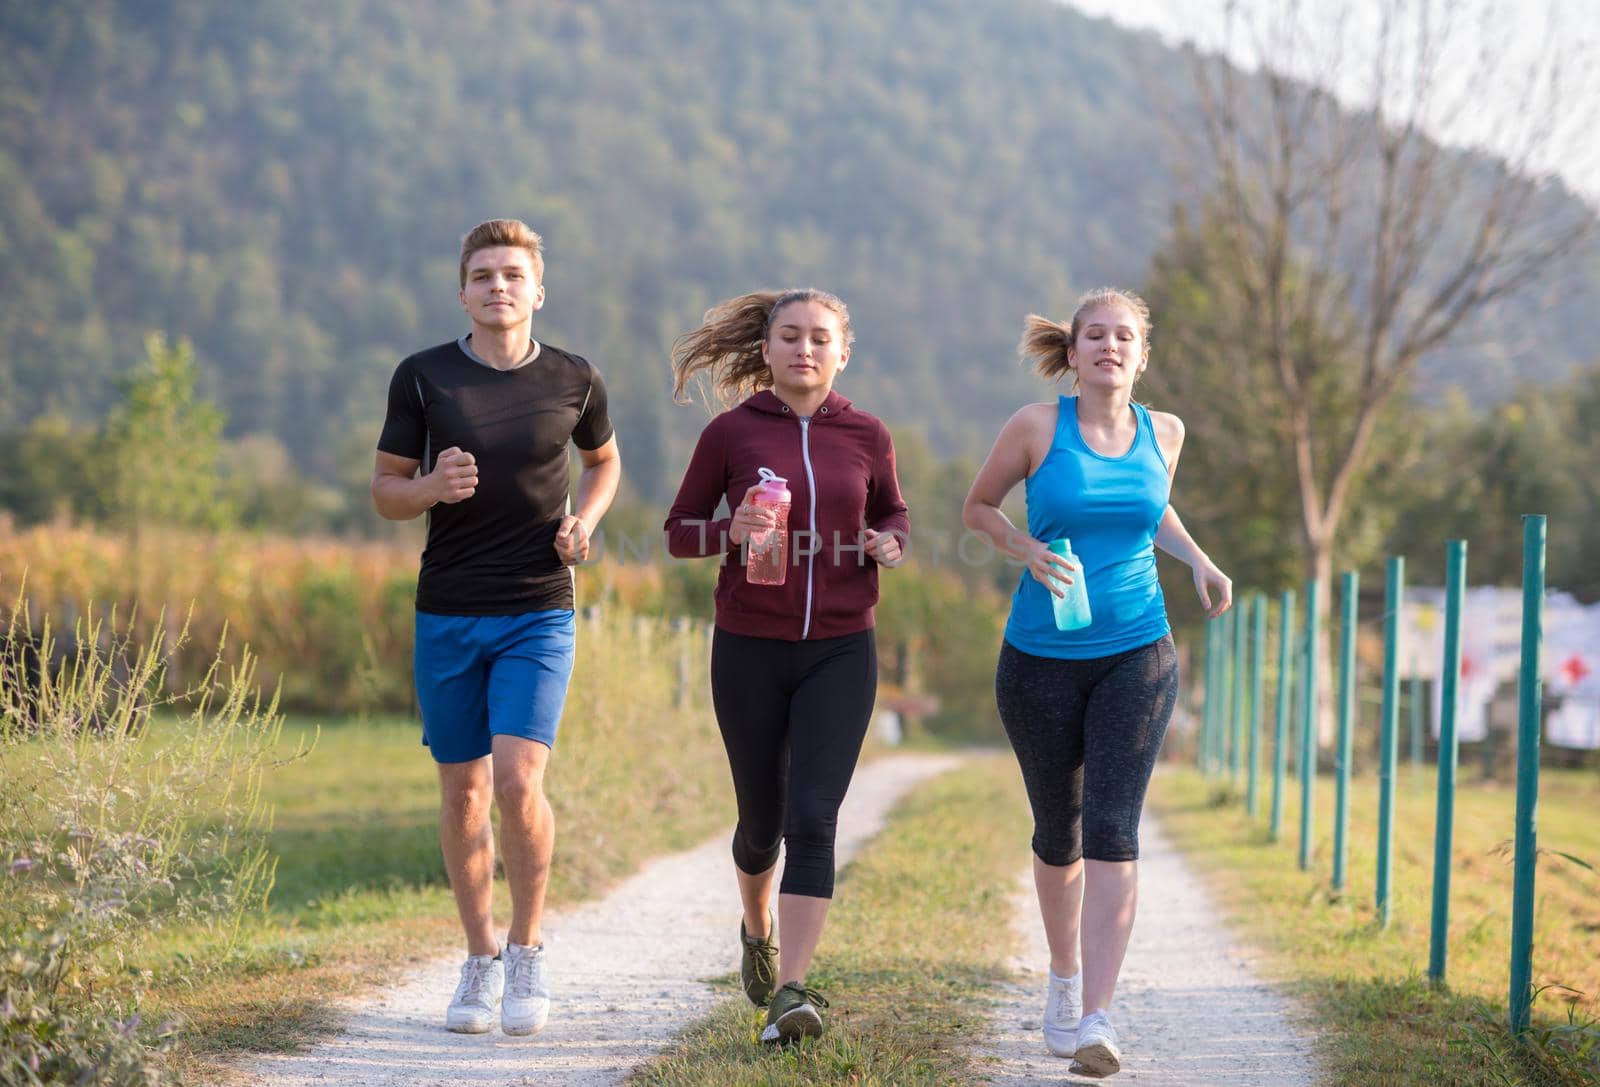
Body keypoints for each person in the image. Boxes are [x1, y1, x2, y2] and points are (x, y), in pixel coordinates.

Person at [962, 288, 1230, 1078]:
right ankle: (1064, 973)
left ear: (1143, 355)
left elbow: (1153, 509)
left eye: (1125, 337)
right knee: (1060, 831)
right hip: (1039, 657)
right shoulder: (1036, 427)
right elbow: (977, 507)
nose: (1110, 347)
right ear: (1073, 352)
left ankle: (1097, 1017)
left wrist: (1200, 559)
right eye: (1095, 336)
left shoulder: (1166, 432)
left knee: (1115, 828)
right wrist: (1023, 546)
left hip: (1137, 652)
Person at [371, 218, 621, 1037]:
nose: (499, 286)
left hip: (539, 606)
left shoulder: (575, 378)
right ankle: (479, 959)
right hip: (447, 607)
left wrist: (585, 521)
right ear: (463, 292)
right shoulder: (423, 378)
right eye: (483, 275)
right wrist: (431, 487)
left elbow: (605, 461)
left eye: (514, 274)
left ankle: (527, 948)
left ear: (538, 290)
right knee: (465, 791)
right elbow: (384, 490)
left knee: (517, 781)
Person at [663, 289, 909, 1045]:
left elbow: (892, 512)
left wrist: (889, 542)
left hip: (841, 646)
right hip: (748, 645)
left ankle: (793, 989)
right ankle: (756, 925)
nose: (806, 349)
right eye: (791, 337)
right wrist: (726, 528)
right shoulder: (730, 434)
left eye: (820, 338)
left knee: (814, 818)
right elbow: (677, 533)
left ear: (844, 351)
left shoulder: (868, 434)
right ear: (765, 352)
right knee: (761, 824)